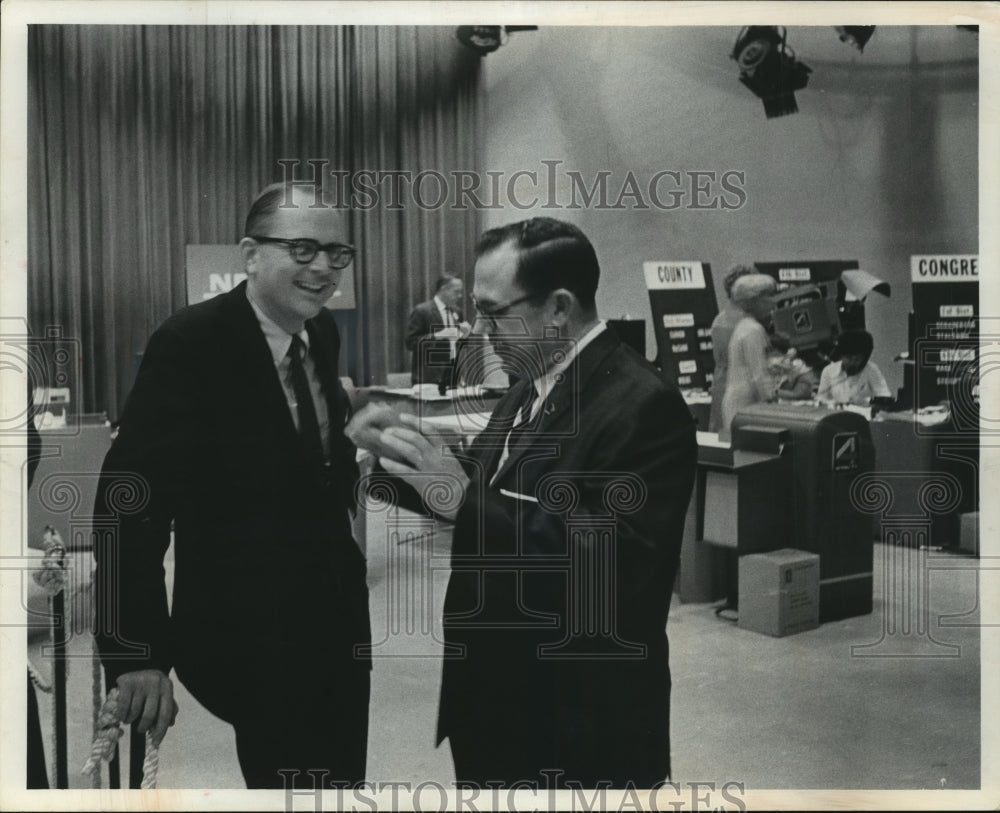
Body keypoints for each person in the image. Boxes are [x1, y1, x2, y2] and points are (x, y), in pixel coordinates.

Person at [348, 217, 698, 788]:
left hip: (575, 726)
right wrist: (394, 456)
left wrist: (463, 497)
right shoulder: (527, 386)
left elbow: (609, 561)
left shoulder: (642, 404)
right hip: (497, 708)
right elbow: (488, 498)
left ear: (558, 308)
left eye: (492, 312)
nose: (480, 330)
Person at [92, 182, 371, 789]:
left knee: (342, 782)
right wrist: (137, 653)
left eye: (336, 253)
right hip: (251, 631)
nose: (323, 268)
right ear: (250, 254)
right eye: (302, 249)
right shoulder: (191, 343)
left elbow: (311, 460)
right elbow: (128, 502)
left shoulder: (319, 335)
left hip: (337, 622)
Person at [719, 273, 779, 438]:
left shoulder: (742, 327)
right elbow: (759, 374)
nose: (773, 301)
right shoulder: (753, 330)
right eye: (769, 296)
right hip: (747, 404)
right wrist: (773, 405)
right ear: (755, 300)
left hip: (738, 402)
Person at [708, 264, 757, 433]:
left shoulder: (719, 319)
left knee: (722, 446)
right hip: (739, 391)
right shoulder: (747, 323)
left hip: (721, 388)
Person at [405, 275, 471, 386]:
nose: (460, 296)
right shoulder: (422, 311)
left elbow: (458, 345)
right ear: (443, 289)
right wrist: (437, 336)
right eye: (456, 292)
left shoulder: (457, 311)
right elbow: (410, 343)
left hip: (452, 376)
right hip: (428, 379)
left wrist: (465, 336)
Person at [817, 329, 891, 406]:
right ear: (841, 356)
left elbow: (884, 396)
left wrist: (869, 402)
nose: (852, 363)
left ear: (864, 359)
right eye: (848, 358)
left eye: (857, 359)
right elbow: (821, 399)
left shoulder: (871, 369)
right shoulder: (828, 371)